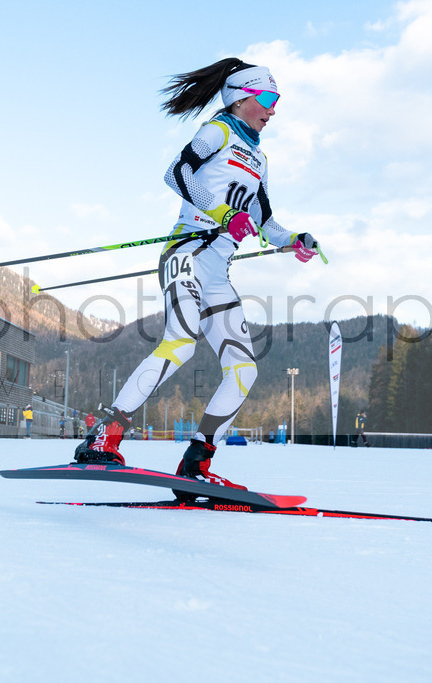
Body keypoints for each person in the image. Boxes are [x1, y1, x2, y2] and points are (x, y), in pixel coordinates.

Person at [74, 58, 320, 497]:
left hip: (217, 276)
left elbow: (265, 223)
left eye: (276, 100)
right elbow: (177, 173)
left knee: (243, 370)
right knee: (180, 344)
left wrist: (295, 239)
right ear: (241, 97)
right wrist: (224, 213)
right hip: (186, 253)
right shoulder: (218, 131)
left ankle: (197, 461)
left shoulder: (260, 159)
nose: (273, 109)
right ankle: (103, 436)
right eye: (267, 99)